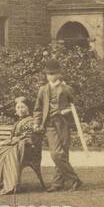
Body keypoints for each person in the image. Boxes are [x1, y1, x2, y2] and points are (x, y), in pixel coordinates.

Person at [34, 59, 84, 191]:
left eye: (54, 73)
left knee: (62, 153)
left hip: (63, 123)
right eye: (49, 74)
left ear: (59, 73)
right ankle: (74, 179)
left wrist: (63, 111)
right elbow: (38, 109)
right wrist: (36, 123)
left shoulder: (67, 89)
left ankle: (57, 184)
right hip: (49, 124)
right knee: (56, 154)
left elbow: (77, 107)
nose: (51, 76)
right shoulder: (43, 89)